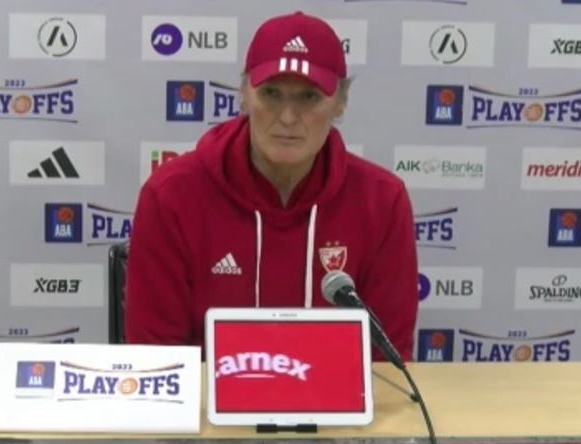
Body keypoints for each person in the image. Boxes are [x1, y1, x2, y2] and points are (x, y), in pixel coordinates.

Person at [125, 11, 419, 361]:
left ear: (340, 102)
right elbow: (156, 359)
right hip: (207, 398)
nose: (288, 117)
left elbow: (386, 364)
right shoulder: (171, 196)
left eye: (309, 97)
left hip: (337, 398)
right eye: (271, 94)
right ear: (244, 94)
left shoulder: (382, 201)